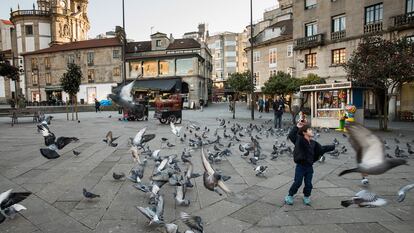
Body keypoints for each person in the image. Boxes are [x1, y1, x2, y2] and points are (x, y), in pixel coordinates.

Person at [285, 120, 335, 205]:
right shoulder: (299, 140)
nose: (312, 131)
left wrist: (332, 147)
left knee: (308, 184)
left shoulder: (313, 143)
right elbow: (291, 135)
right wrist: (297, 126)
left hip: (309, 167)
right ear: (304, 132)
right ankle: (290, 195)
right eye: (310, 130)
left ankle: (306, 196)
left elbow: (322, 149)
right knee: (298, 182)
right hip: (300, 166)